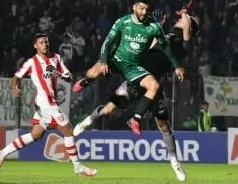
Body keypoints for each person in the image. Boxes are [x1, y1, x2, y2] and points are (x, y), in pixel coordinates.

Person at [73, 10, 196, 182]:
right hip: (136, 77)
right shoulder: (165, 35)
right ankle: (87, 121)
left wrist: (186, 16)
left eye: (186, 21)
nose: (182, 20)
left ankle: (175, 163)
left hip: (154, 84)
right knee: (109, 109)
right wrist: (158, 25)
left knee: (163, 126)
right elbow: (148, 45)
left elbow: (188, 28)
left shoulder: (184, 46)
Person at [72, 0, 185, 136]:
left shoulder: (154, 27)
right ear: (134, 7)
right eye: (141, 8)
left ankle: (135, 119)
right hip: (116, 60)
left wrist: (177, 66)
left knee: (154, 86)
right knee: (93, 73)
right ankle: (86, 81)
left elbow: (165, 47)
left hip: (133, 68)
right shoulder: (123, 22)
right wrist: (105, 61)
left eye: (147, 9)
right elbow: (107, 42)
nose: (144, 12)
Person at [0, 33, 97, 177]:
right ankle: (78, 167)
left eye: (46, 42)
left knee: (36, 134)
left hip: (50, 102)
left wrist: (65, 76)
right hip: (44, 103)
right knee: (68, 131)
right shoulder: (31, 63)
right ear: (35, 45)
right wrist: (14, 88)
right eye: (41, 42)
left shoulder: (56, 58)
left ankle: (1, 153)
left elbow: (68, 76)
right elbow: (16, 76)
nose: (45, 45)